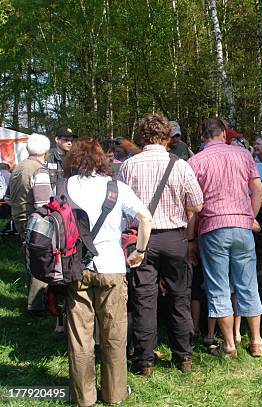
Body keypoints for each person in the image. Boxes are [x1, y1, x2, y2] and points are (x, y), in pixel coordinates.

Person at [63, 139, 152, 406]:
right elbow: (146, 218)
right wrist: (140, 251)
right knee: (114, 334)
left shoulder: (64, 186)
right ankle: (114, 394)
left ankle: (84, 397)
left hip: (76, 268)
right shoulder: (117, 188)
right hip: (112, 267)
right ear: (102, 160)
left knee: (80, 337)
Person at [118, 113, 203, 375]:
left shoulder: (128, 166)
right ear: (166, 136)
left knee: (144, 299)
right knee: (179, 297)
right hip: (174, 237)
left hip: (141, 239)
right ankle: (183, 357)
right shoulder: (180, 165)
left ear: (141, 137)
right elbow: (197, 204)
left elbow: (119, 206)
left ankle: (144, 361)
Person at [188, 117, 262, 357]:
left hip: (212, 228)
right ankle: (256, 341)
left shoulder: (194, 161)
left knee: (219, 288)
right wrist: (250, 217)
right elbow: (259, 190)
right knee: (248, 284)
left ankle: (229, 345)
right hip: (242, 227)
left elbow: (192, 206)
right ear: (223, 133)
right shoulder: (243, 155)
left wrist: (190, 240)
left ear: (202, 137)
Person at [8, 134, 53, 315]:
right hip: (35, 220)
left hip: (19, 217)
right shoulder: (39, 170)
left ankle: (33, 302)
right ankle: (37, 305)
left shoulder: (19, 167)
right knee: (40, 260)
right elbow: (43, 205)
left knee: (30, 259)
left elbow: (8, 197)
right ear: (46, 151)